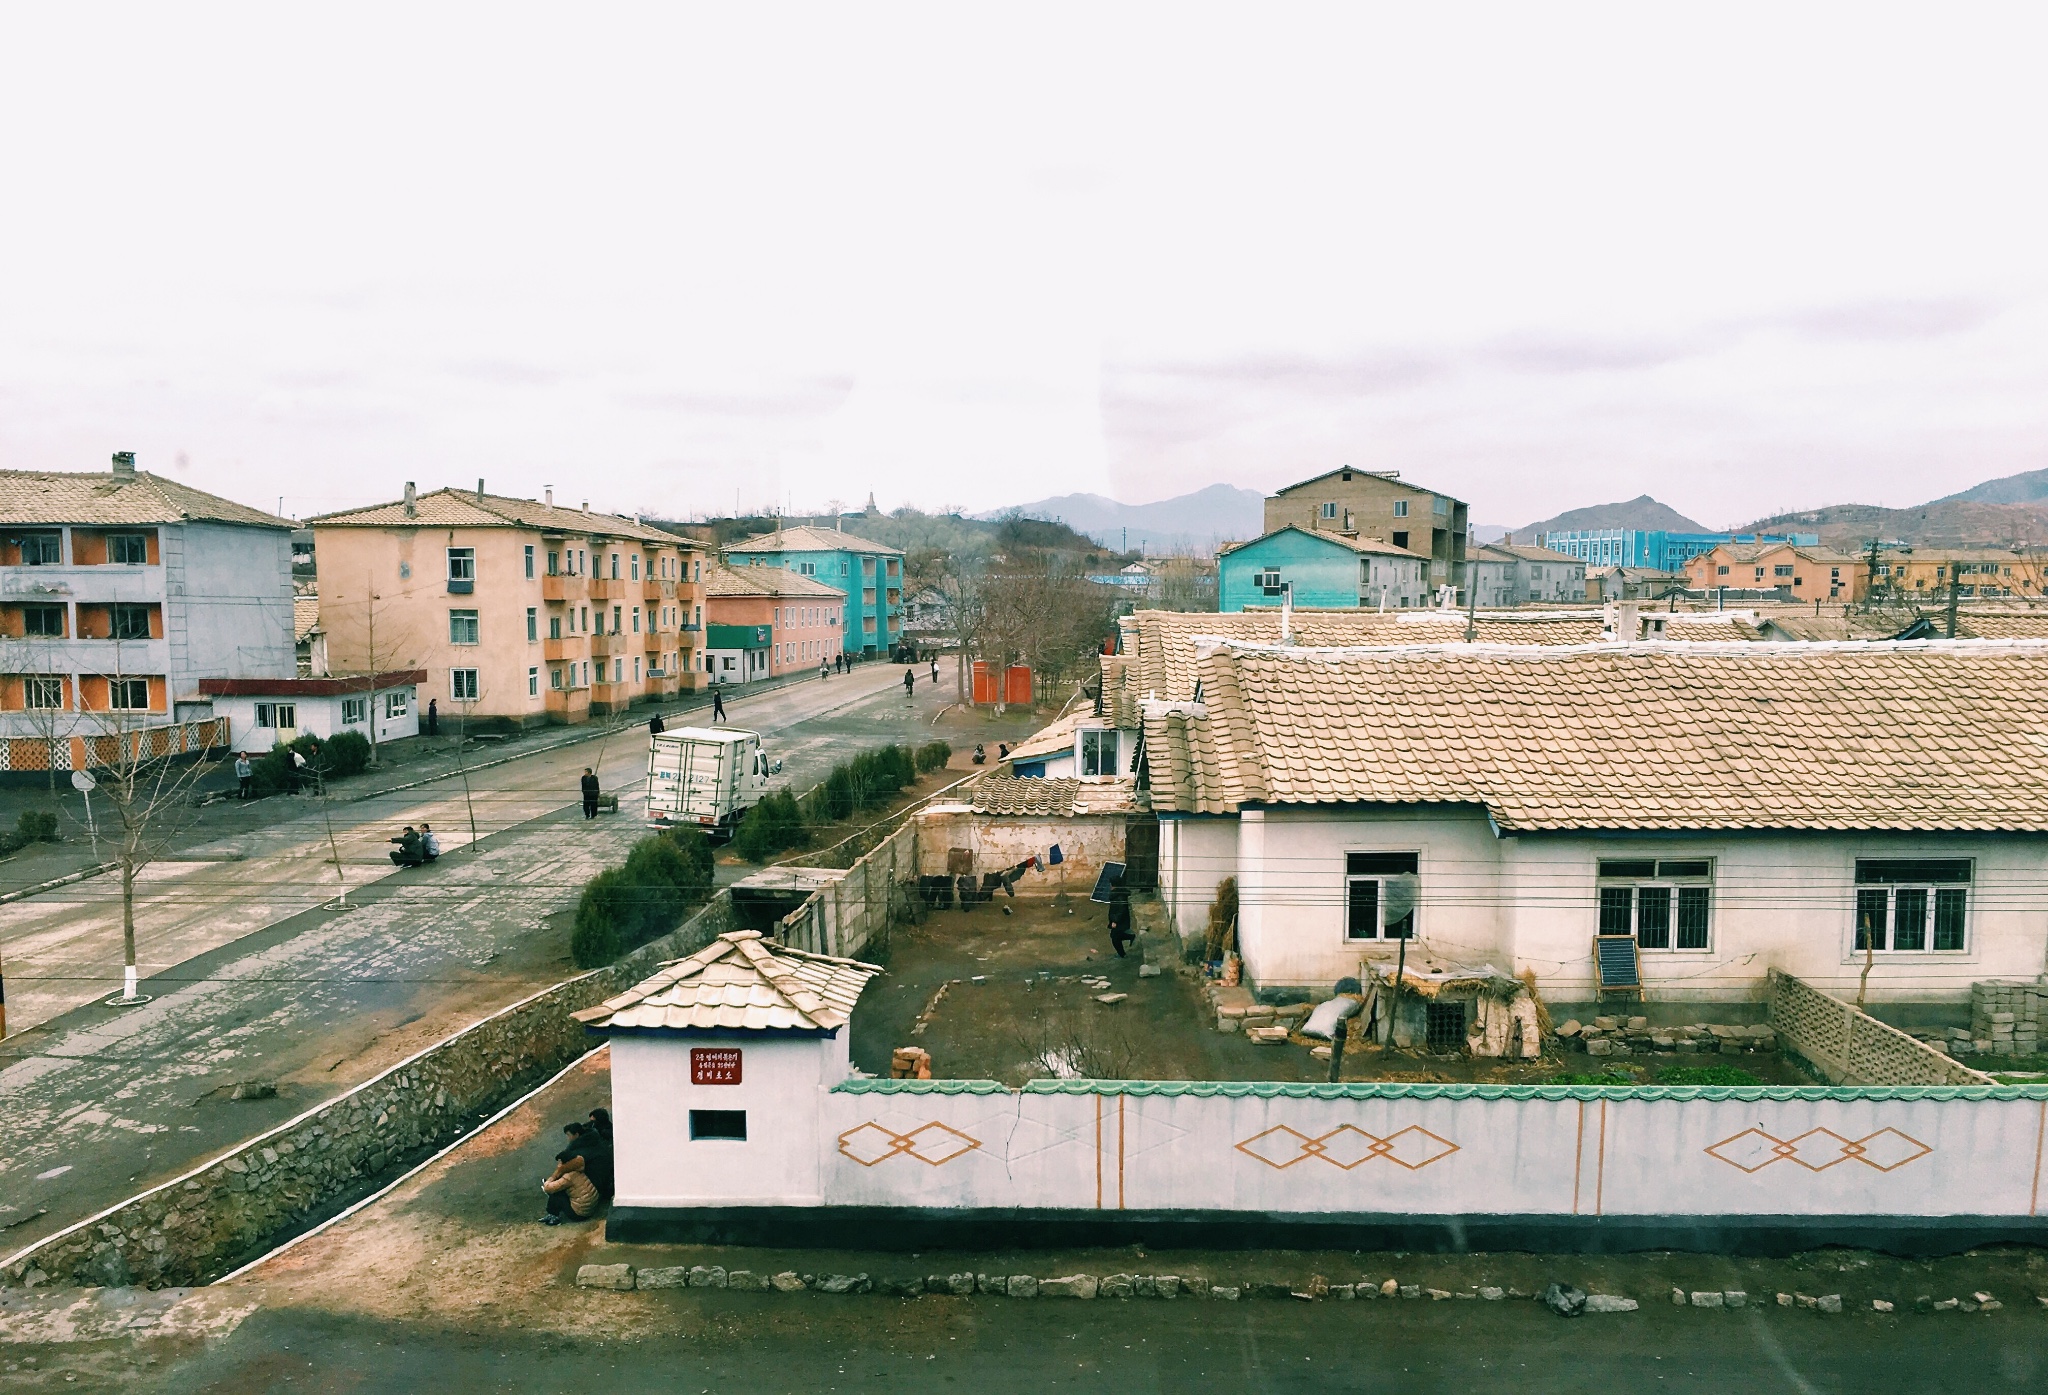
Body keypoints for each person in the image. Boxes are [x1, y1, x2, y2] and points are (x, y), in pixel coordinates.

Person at [541, 1125, 601, 1225]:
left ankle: (553, 1217)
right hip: (591, 1205)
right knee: (560, 1189)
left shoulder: (568, 1177)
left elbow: (548, 1188)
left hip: (581, 1213)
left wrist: (552, 1177)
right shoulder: (579, 1171)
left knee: (556, 1195)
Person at [1107, 882, 1135, 958]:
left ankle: (1122, 954)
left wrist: (1115, 921)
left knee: (1115, 938)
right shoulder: (1118, 894)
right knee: (1116, 936)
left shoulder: (1119, 897)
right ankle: (1130, 937)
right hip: (1119, 920)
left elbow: (1121, 910)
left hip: (1119, 921)